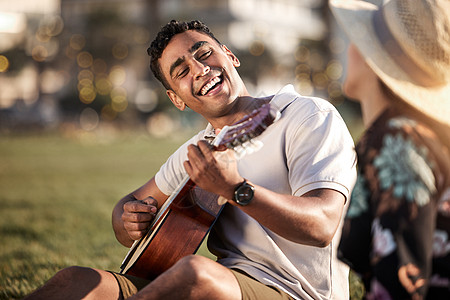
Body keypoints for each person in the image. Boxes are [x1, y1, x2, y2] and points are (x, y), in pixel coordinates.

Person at [25, 20, 356, 300]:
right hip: (223, 283)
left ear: (230, 55)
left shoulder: (305, 115)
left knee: (196, 274)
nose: (200, 69)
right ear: (176, 98)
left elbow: (322, 226)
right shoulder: (198, 149)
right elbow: (129, 206)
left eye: (205, 53)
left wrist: (236, 188)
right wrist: (125, 220)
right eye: (181, 70)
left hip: (294, 292)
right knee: (77, 282)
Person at [329, 0, 450, 299]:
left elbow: (401, 281)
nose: (349, 49)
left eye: (357, 40)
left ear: (373, 59)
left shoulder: (396, 143)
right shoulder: (412, 135)